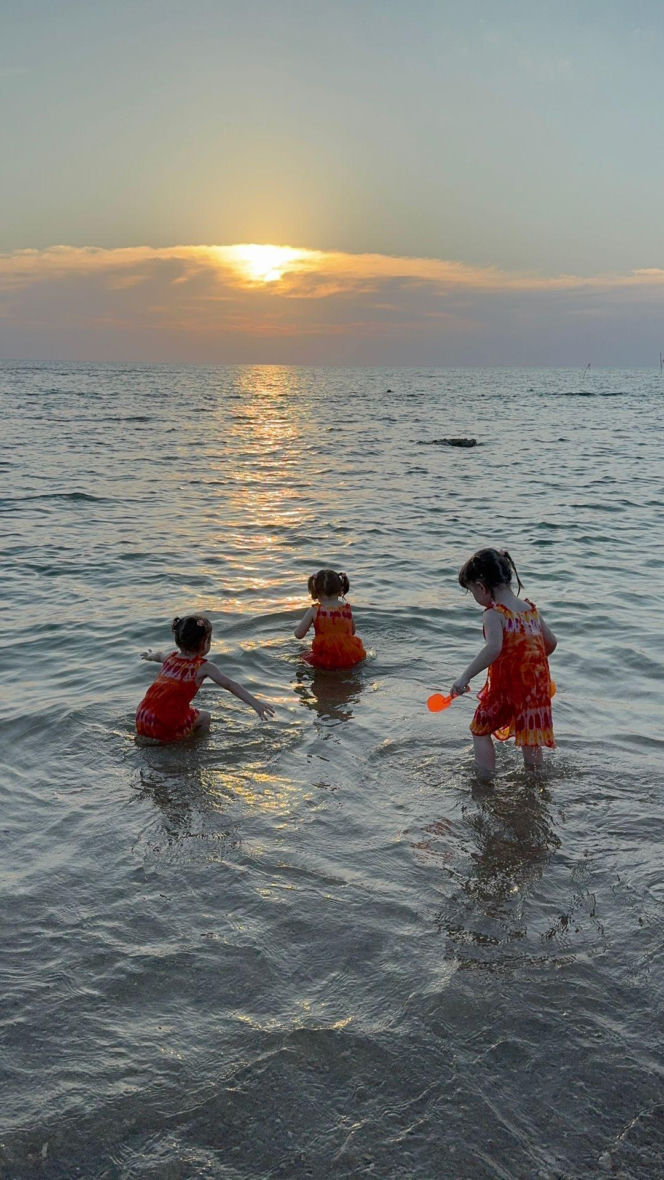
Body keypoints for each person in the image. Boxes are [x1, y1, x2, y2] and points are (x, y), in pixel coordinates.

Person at [450, 549, 557, 775]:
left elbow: (493, 648)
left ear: (481, 587)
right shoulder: (531, 609)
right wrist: (529, 661)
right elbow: (551, 643)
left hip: (508, 688)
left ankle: (485, 776)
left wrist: (465, 677)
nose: (475, 598)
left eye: (471, 592)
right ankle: (536, 781)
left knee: (480, 728)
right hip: (535, 689)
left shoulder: (494, 614)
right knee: (530, 736)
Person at [136, 614, 274, 742]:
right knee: (205, 717)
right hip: (166, 721)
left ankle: (158, 741)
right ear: (204, 643)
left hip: (143, 715)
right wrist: (255, 703)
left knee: (174, 715)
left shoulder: (169, 657)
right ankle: (194, 746)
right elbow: (231, 685)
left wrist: (150, 656)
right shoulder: (203, 667)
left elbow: (159, 655)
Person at [294, 569, 366, 669]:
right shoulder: (346, 609)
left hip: (324, 657)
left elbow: (298, 635)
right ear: (341, 590)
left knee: (303, 657)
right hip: (349, 655)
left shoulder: (314, 610)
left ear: (315, 591)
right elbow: (352, 632)